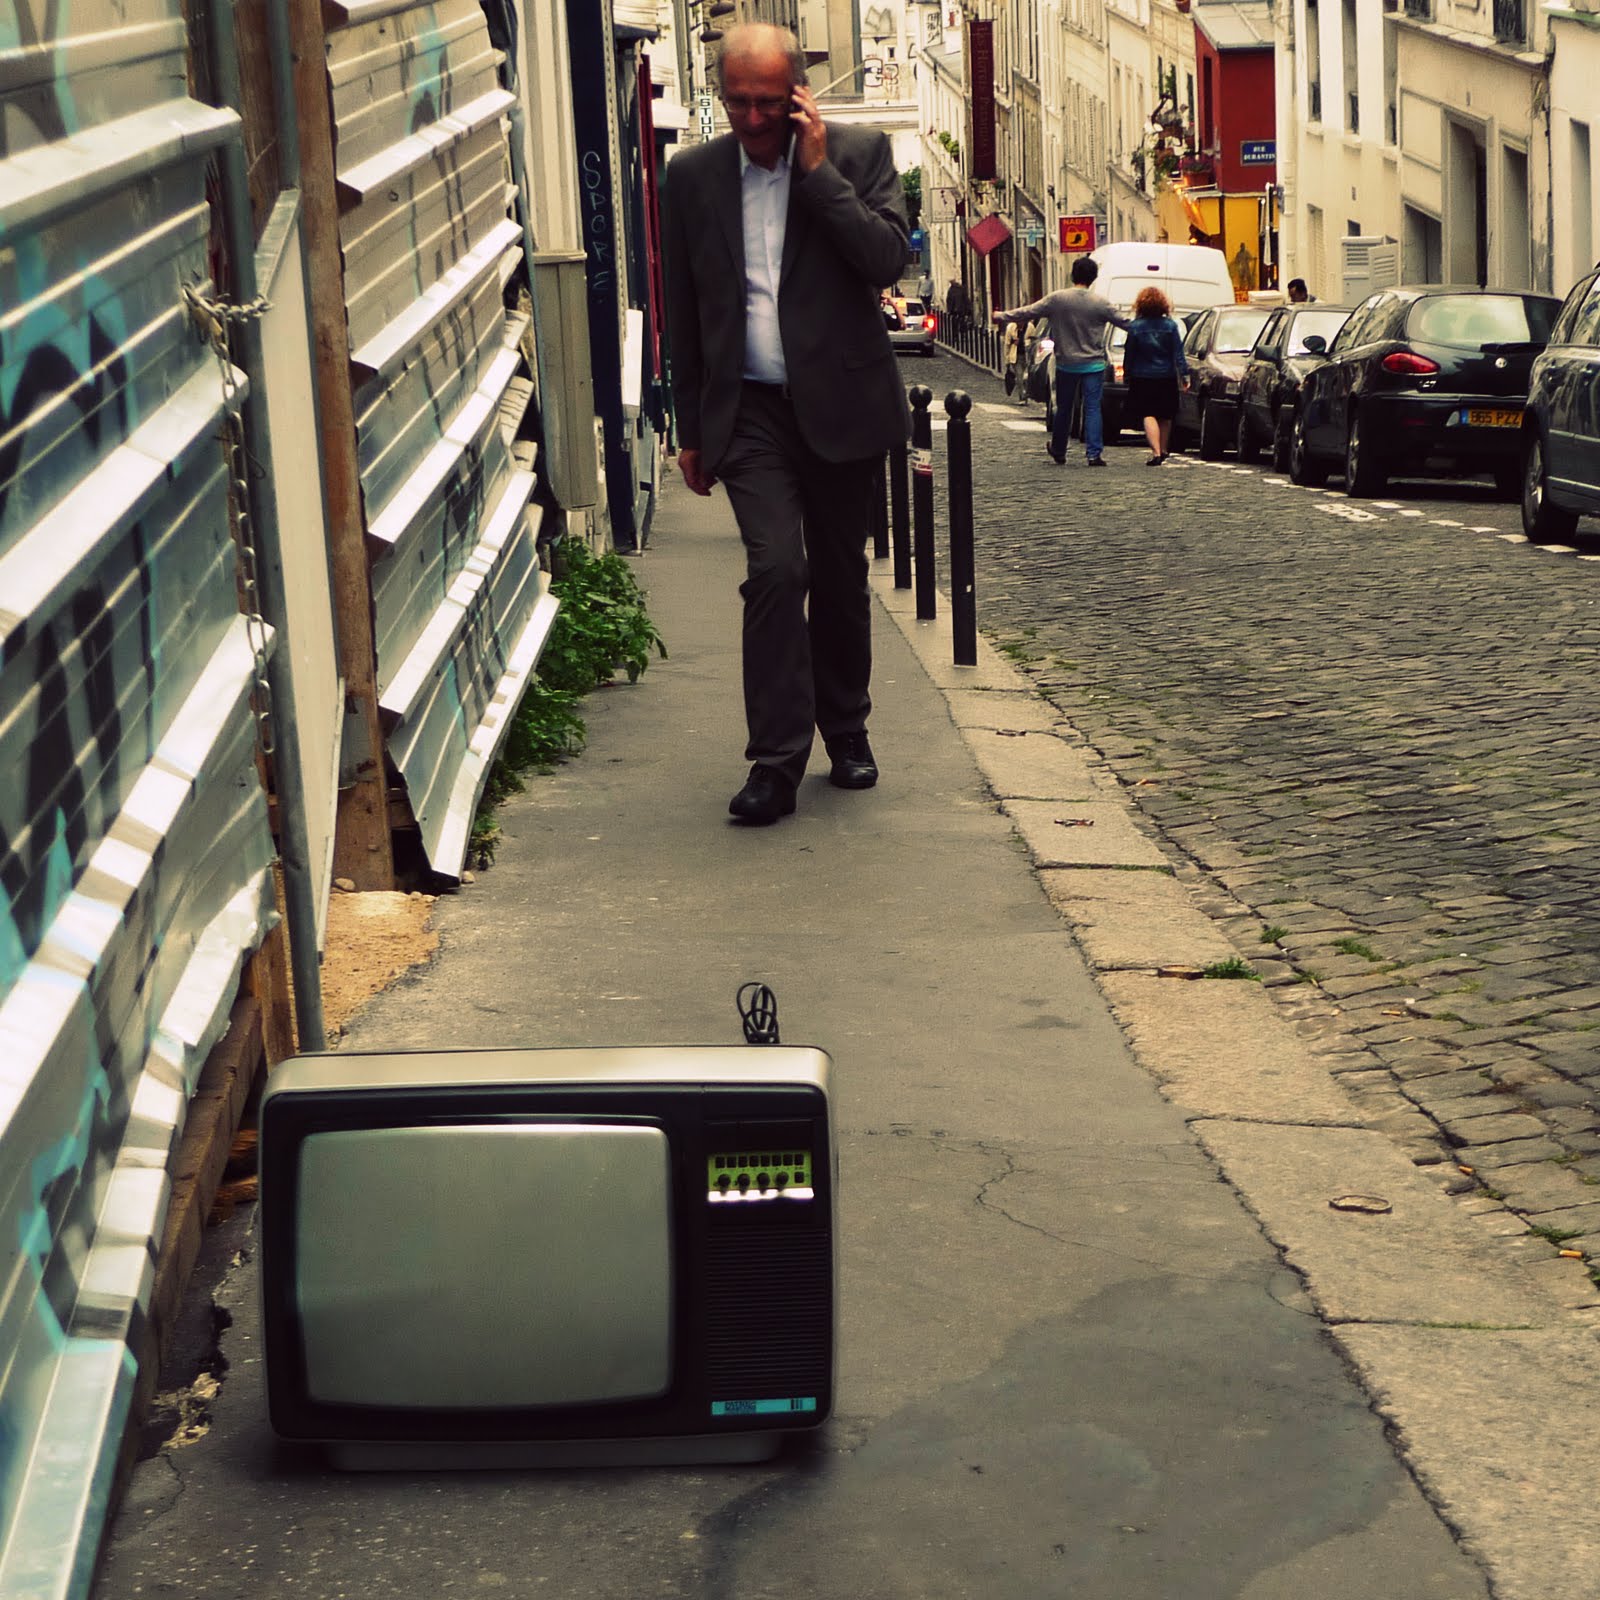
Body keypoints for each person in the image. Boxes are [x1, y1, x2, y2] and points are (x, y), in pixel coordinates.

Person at [663, 23, 911, 826]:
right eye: (737, 101)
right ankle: (774, 760)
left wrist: (816, 175)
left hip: (842, 403)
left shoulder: (858, 154)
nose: (751, 118)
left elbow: (886, 261)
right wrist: (691, 426)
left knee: (839, 577)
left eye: (768, 103)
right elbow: (684, 306)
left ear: (799, 95)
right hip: (751, 411)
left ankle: (846, 727)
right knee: (776, 570)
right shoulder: (692, 175)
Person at [993, 258, 1132, 465]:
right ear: (1093, 278)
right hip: (1093, 364)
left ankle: (1059, 449)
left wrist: (1002, 316)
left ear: (1072, 275)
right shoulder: (1100, 303)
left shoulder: (1057, 299)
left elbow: (1029, 311)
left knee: (1064, 407)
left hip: (1066, 363)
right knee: (1092, 408)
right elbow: (1126, 323)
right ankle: (1094, 453)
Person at [1122, 285, 1189, 465]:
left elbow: (1130, 353)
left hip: (1142, 376)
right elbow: (1178, 353)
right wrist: (1184, 375)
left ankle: (1156, 451)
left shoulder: (1135, 327)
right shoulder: (1170, 326)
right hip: (1166, 376)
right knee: (1165, 415)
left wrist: (1127, 373)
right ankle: (1164, 448)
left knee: (1148, 413)